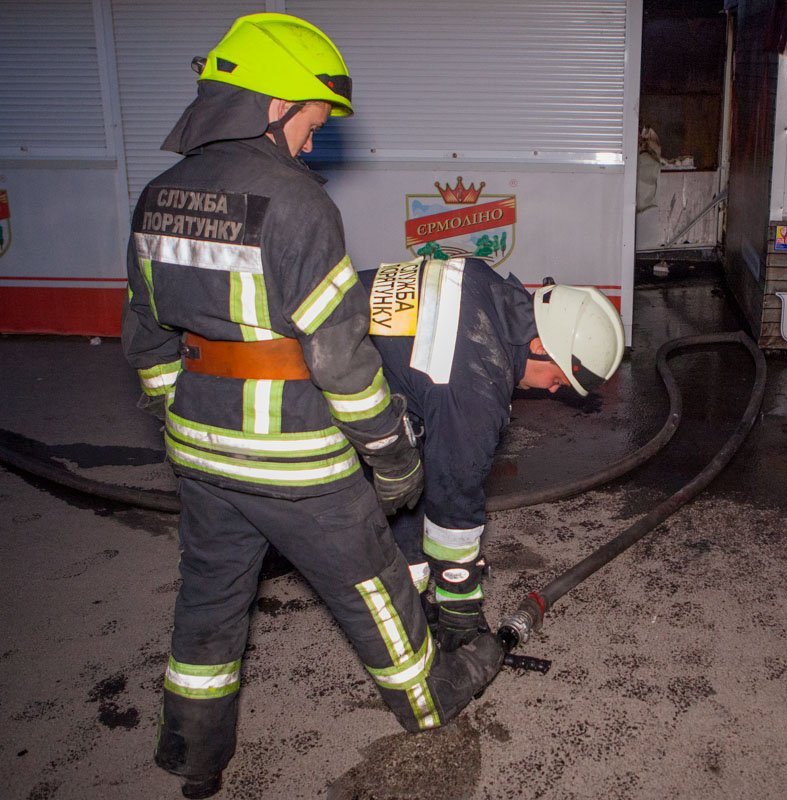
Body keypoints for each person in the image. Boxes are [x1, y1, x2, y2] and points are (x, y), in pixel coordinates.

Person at [121, 14, 502, 799]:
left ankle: (195, 756)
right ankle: (431, 700)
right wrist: (391, 455)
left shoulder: (157, 199)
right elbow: (338, 358)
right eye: (312, 121)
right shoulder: (296, 203)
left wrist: (175, 420)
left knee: (209, 602)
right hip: (296, 457)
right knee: (374, 586)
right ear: (272, 105)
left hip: (200, 451)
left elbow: (146, 337)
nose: (313, 138)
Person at [362, 257, 625, 651]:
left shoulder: (482, 282)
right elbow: (454, 494)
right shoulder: (477, 382)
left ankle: (405, 599)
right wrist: (460, 599)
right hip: (306, 384)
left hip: (330, 336)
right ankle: (396, 630)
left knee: (411, 474)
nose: (553, 390)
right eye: (558, 378)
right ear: (539, 346)